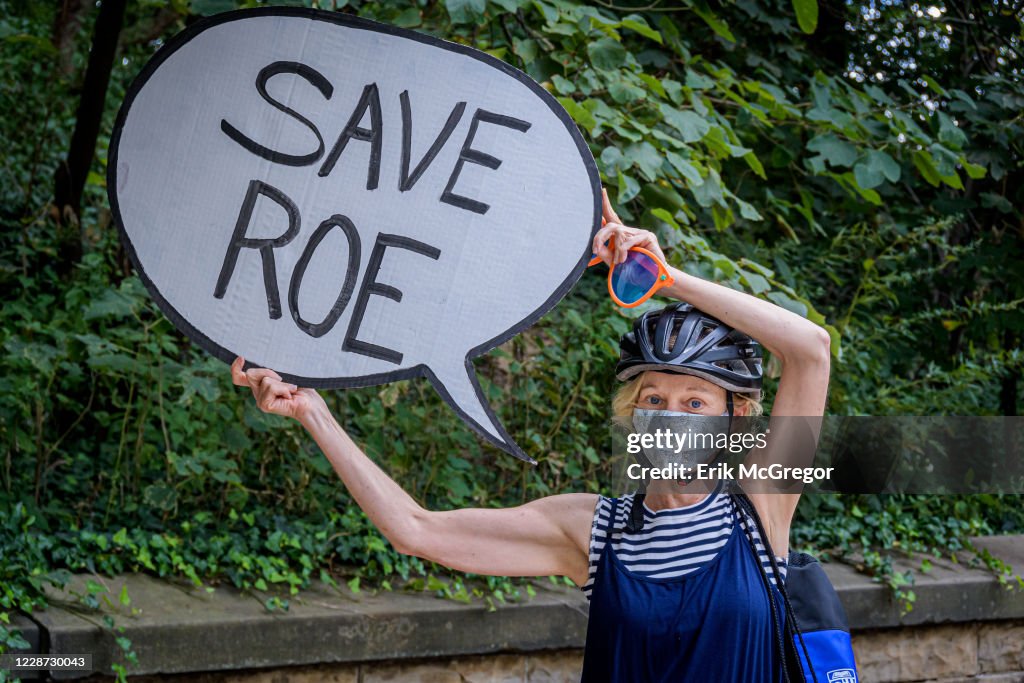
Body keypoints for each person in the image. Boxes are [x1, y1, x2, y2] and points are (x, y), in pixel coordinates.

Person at [230, 188, 832, 682]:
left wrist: (663, 277)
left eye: (695, 402)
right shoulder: (591, 531)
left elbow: (809, 350)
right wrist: (312, 411)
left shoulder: (761, 508)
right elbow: (416, 530)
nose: (670, 416)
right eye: (655, 398)